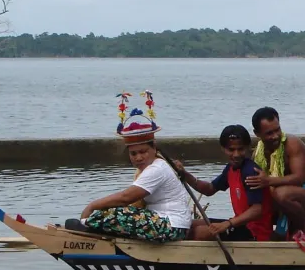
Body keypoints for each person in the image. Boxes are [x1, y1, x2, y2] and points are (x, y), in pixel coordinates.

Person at [78, 91, 192, 242]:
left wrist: (92, 206)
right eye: (133, 154)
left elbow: (125, 198)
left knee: (115, 213)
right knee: (115, 211)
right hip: (165, 221)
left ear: (154, 148)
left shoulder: (157, 168)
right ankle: (92, 224)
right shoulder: (151, 168)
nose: (138, 157)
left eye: (143, 152)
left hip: (171, 226)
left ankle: (86, 224)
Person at [177, 124, 275, 242]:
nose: (236, 155)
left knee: (199, 232)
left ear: (248, 147)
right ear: (223, 149)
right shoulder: (230, 169)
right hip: (239, 225)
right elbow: (209, 189)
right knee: (188, 225)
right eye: (231, 150)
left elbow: (256, 210)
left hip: (254, 232)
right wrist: (185, 174)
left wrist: (228, 224)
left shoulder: (250, 172)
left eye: (241, 149)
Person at [246, 106, 305, 238]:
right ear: (257, 134)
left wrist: (268, 181)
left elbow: (299, 178)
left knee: (281, 193)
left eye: (277, 130)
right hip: (284, 204)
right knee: (255, 202)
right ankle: (284, 232)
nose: (275, 136)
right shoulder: (258, 151)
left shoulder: (292, 143)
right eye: (269, 133)